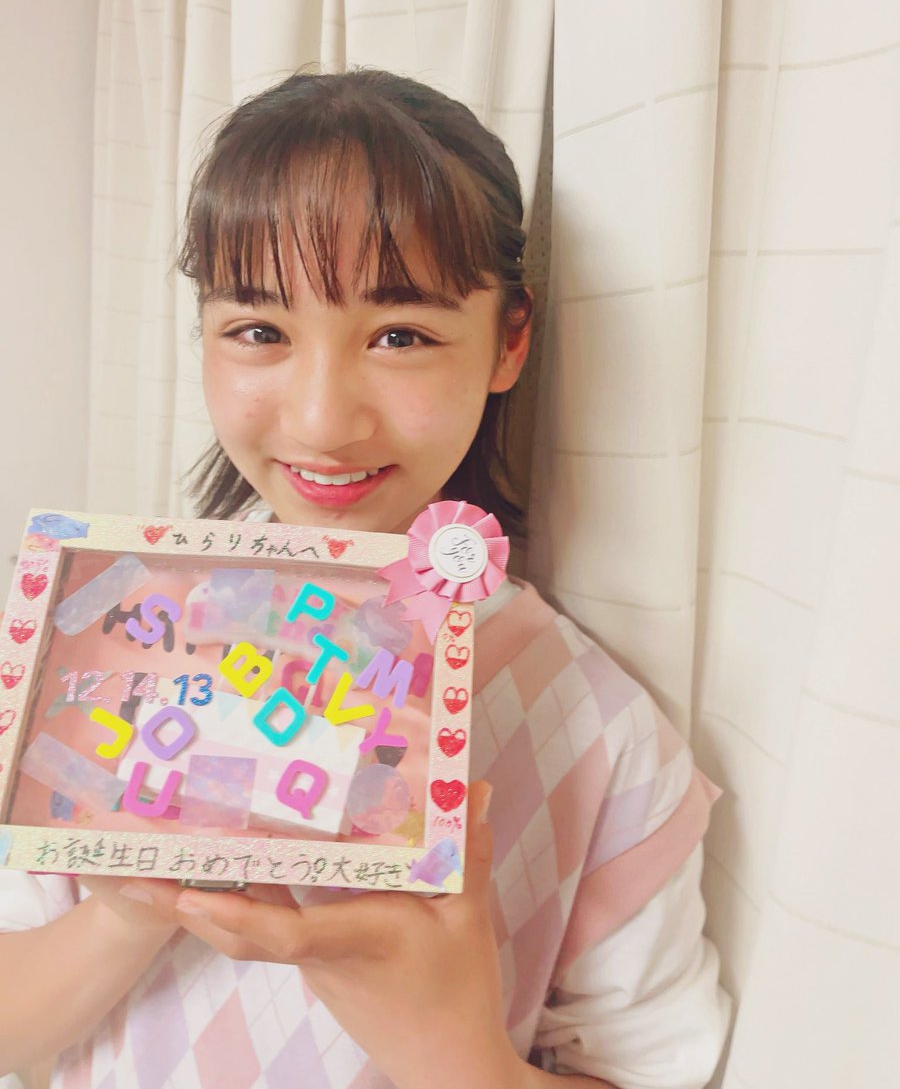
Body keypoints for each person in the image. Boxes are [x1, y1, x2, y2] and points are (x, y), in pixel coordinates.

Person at [0, 70, 731, 1089]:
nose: (322, 421)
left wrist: (454, 1050)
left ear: (510, 340)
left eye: (401, 336)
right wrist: (128, 909)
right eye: (259, 330)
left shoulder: (605, 741)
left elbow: (650, 1068)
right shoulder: (97, 637)